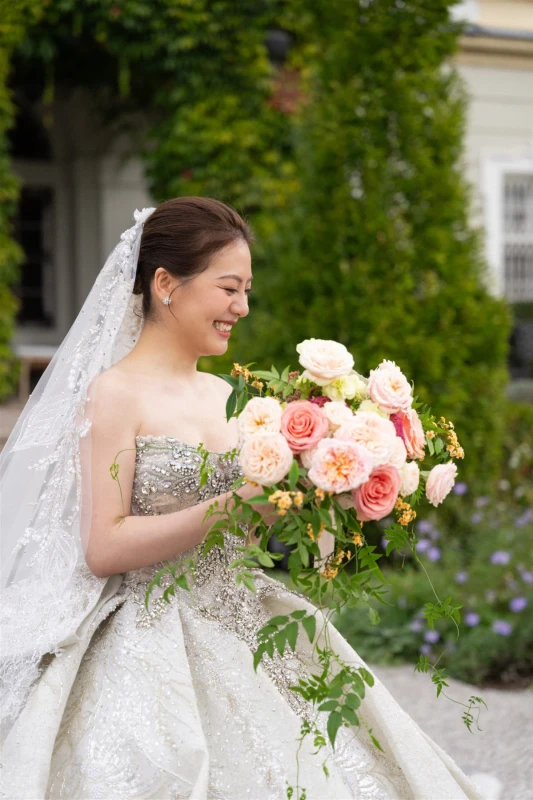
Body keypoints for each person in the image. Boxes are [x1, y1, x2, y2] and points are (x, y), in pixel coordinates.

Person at [0, 197, 487, 799]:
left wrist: (316, 499)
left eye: (247, 289)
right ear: (165, 284)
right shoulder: (114, 394)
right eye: (229, 288)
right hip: (152, 629)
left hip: (248, 617)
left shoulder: (230, 394)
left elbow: (249, 534)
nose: (243, 307)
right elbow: (104, 544)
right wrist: (231, 502)